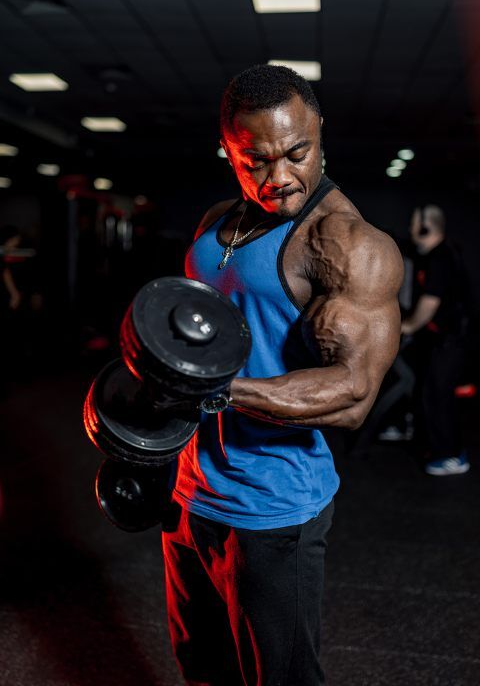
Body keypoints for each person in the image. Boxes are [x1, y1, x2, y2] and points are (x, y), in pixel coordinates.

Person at [162, 64, 403, 686]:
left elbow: (352, 394)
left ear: (320, 131)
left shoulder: (348, 244)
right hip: (191, 491)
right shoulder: (218, 221)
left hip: (273, 506)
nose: (279, 178)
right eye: (255, 160)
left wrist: (215, 390)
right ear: (229, 150)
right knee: (201, 668)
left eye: (297, 152)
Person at [401, 205, 471, 476]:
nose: (410, 230)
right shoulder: (435, 255)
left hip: (452, 340)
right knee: (431, 392)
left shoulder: (440, 257)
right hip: (443, 339)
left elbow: (430, 303)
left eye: (413, 225)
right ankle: (443, 448)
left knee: (438, 396)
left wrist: (407, 326)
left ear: (425, 228)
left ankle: (451, 455)